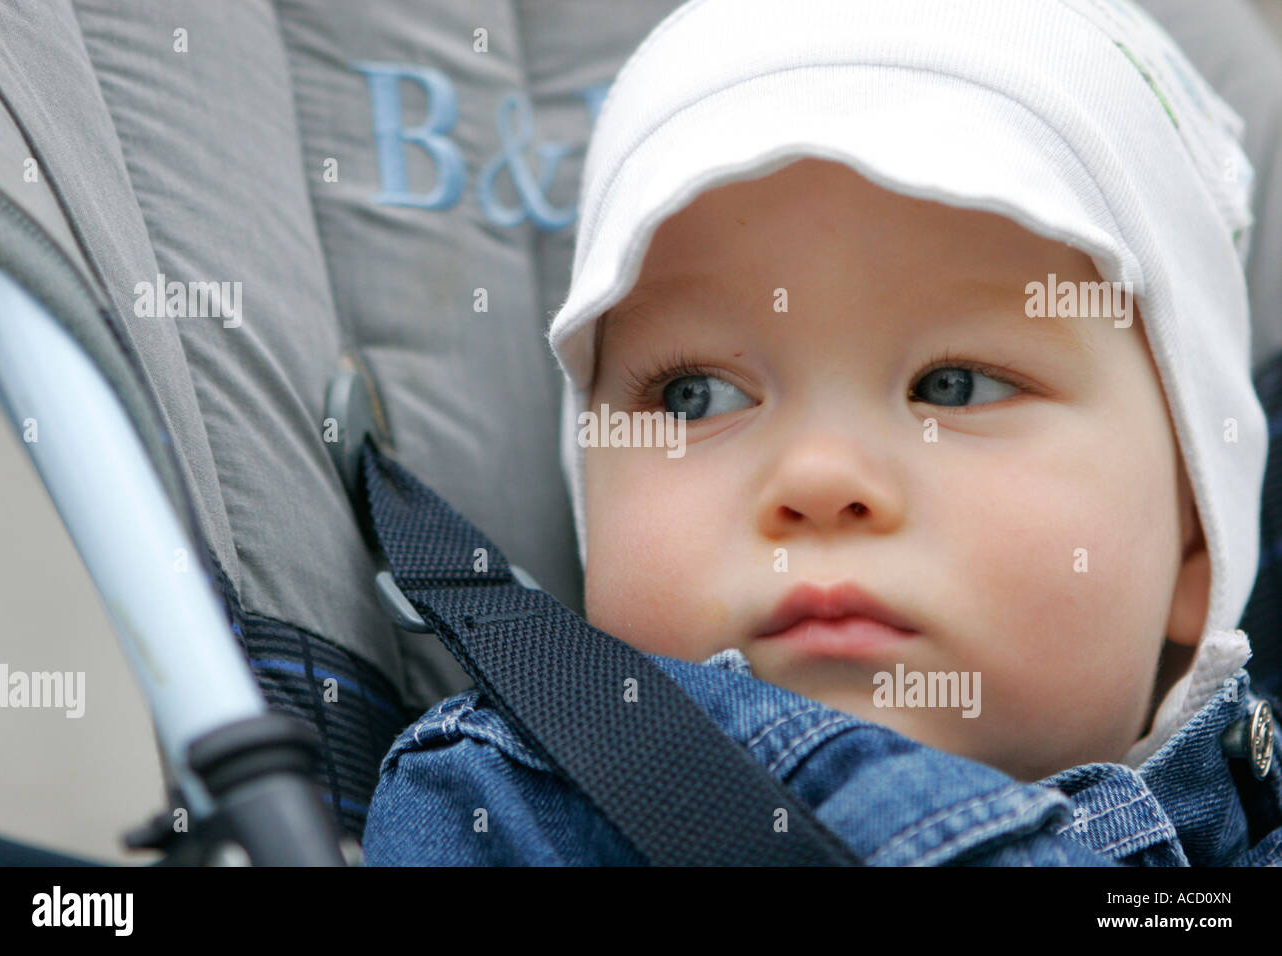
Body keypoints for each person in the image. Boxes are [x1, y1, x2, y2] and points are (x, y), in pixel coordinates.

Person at [361, 0, 1282, 865]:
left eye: (955, 387)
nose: (816, 475)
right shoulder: (506, 818)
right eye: (696, 398)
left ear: (1195, 540)